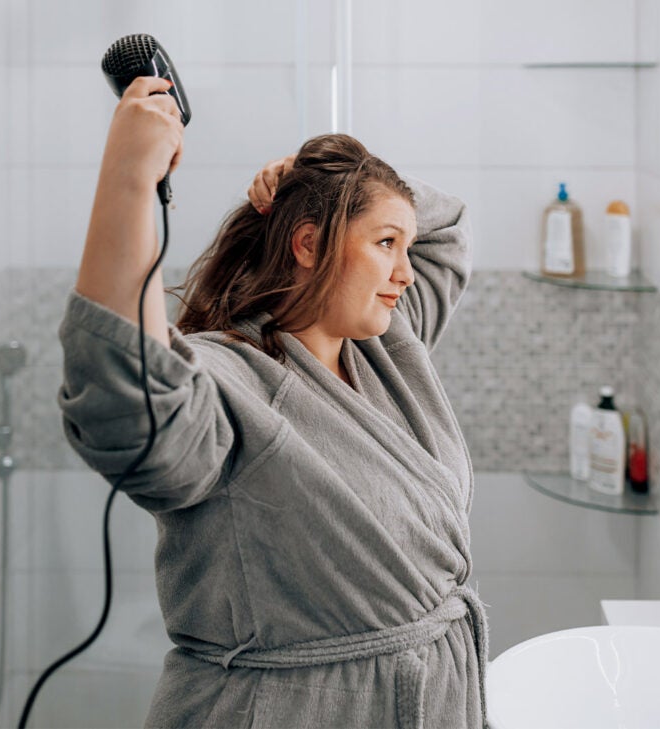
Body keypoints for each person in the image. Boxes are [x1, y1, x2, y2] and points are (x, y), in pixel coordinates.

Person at [58, 75, 485, 728]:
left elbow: (448, 227)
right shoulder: (229, 382)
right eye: (385, 244)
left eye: (404, 245)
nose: (405, 269)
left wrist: (319, 185)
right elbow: (129, 397)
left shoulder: (387, 346)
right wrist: (128, 180)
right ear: (309, 244)